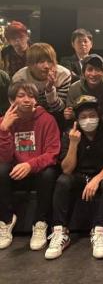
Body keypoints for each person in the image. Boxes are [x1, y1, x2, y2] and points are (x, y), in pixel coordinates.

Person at [45, 96, 103, 260]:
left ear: (98, 115)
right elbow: (67, 169)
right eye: (83, 117)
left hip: (101, 175)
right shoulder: (69, 133)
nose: (88, 120)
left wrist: (96, 179)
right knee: (62, 181)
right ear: (77, 119)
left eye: (92, 115)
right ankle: (60, 232)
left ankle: (99, 232)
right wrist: (73, 144)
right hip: (77, 175)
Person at [0, 81, 60, 250]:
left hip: (38, 171)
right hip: (15, 172)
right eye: (21, 96)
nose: (27, 100)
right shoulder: (4, 122)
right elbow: (4, 158)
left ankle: (40, 222)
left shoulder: (47, 119)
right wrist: (4, 130)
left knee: (48, 172)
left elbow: (52, 154)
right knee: (1, 169)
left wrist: (29, 165)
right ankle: (5, 220)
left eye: (31, 96)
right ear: (12, 100)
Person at [12, 43, 71, 116]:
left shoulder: (63, 75)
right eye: (41, 62)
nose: (46, 66)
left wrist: (50, 89)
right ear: (30, 64)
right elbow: (18, 107)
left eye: (50, 61)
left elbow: (58, 109)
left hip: (56, 115)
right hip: (29, 115)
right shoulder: (20, 78)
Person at [65, 54, 103, 126]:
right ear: (83, 72)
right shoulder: (74, 89)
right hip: (79, 127)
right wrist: (69, 114)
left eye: (98, 70)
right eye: (90, 69)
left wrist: (92, 128)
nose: (93, 74)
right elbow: (71, 114)